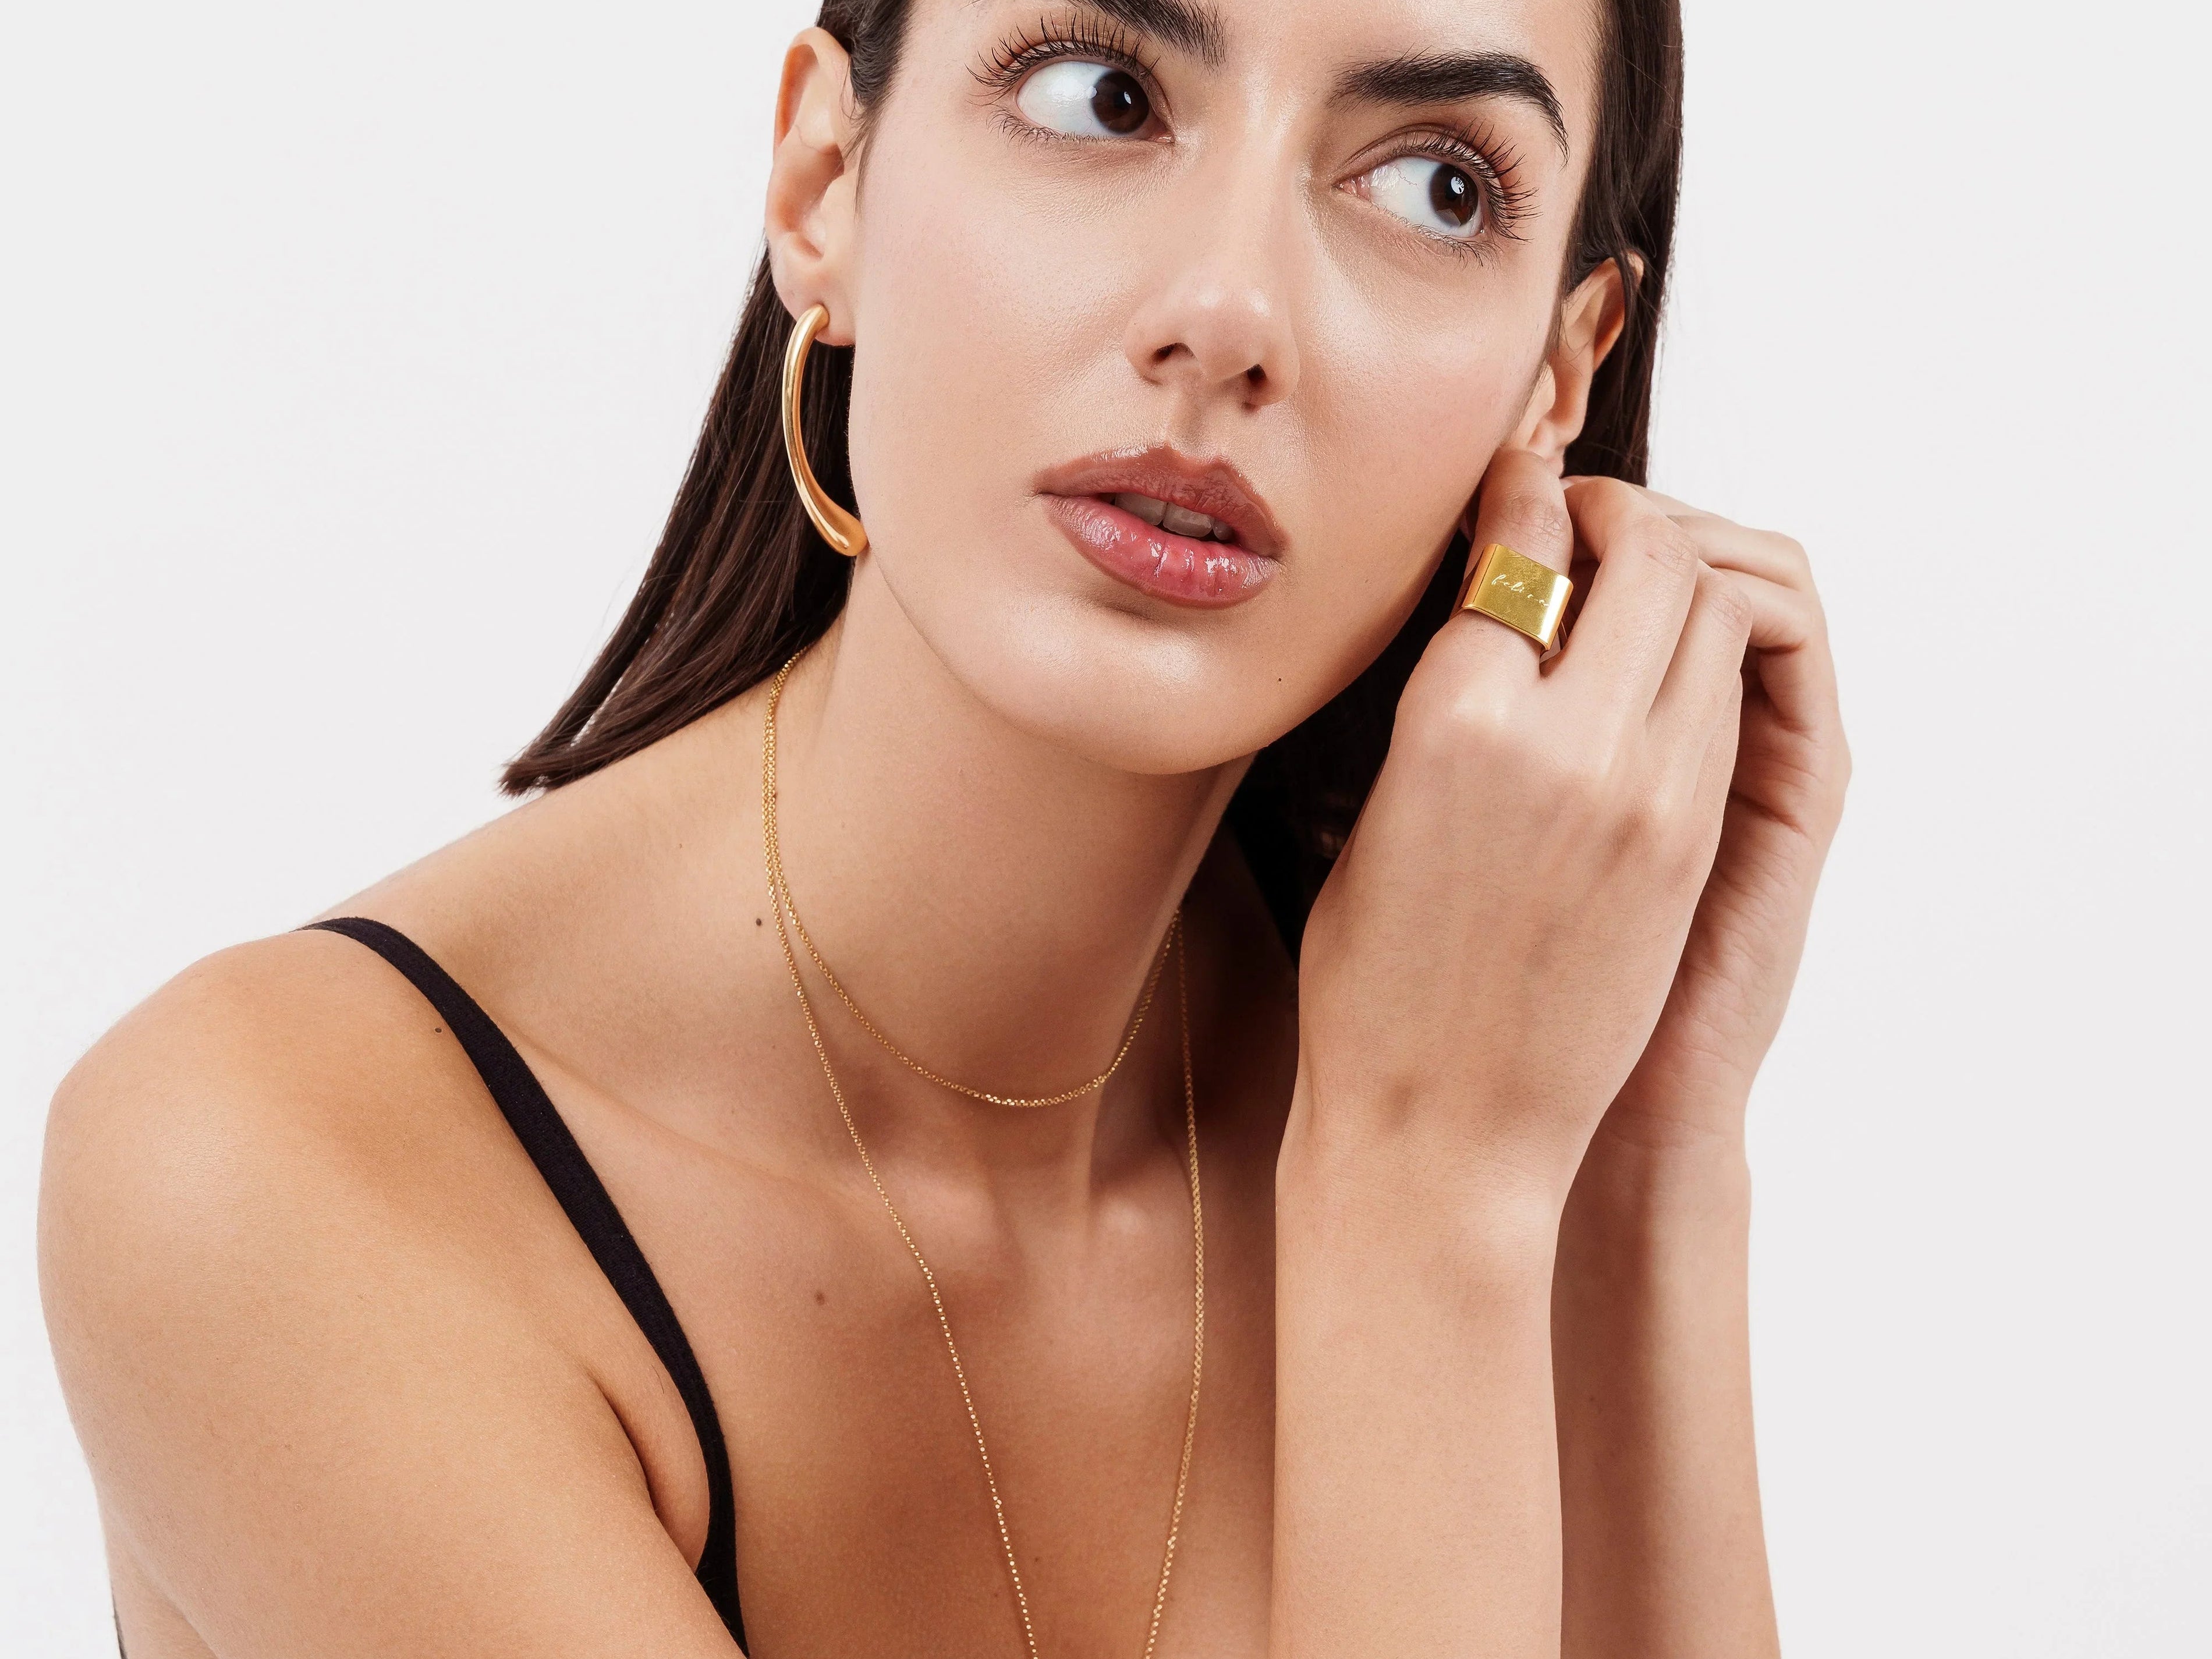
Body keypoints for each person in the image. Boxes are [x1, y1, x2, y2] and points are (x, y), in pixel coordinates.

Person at [37, 1, 1849, 1654]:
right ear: (826, 179)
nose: (1229, 314)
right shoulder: (278, 1175)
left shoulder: (1466, 1082)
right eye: (1105, 96)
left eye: (1440, 187)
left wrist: (1646, 1146)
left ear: (1560, 375)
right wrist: (1424, 1192)